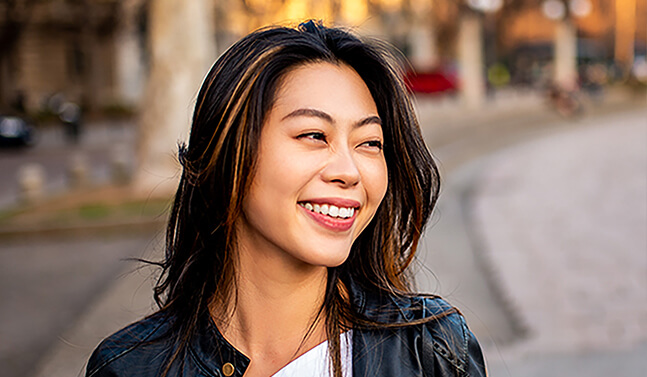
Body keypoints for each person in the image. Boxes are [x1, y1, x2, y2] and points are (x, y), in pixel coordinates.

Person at [85, 21, 486, 377]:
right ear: (229, 152)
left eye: (369, 143)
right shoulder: (130, 366)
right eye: (314, 135)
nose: (348, 171)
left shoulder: (431, 351)